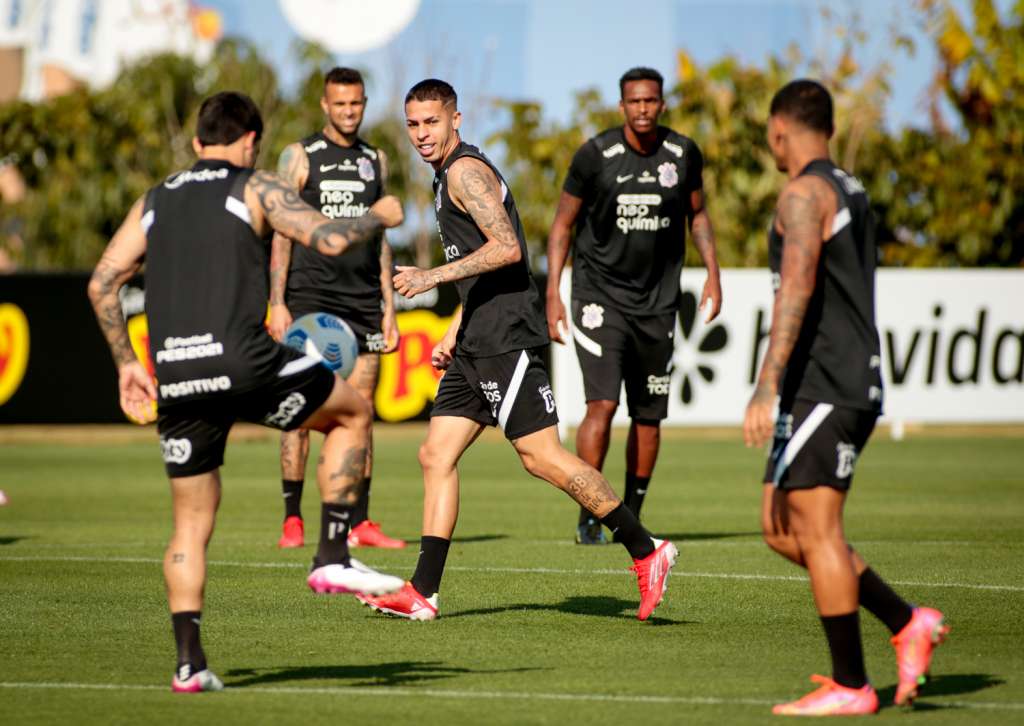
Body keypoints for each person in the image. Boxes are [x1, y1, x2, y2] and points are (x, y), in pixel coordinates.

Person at [87, 91, 405, 693]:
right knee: (353, 412)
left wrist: (128, 363)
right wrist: (378, 217)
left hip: (176, 376)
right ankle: (332, 554)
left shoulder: (154, 199)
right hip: (243, 360)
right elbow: (330, 239)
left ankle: (189, 665)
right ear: (250, 141)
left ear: (198, 141)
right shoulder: (255, 186)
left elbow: (103, 282)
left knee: (188, 527)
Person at [355, 79, 678, 622]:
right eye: (413, 124)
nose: (421, 134)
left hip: (507, 341)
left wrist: (432, 275)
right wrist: (457, 326)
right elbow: (481, 259)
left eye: (431, 122)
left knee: (542, 457)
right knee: (435, 454)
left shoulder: (465, 172)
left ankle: (647, 550)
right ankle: (423, 592)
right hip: (477, 339)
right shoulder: (445, 176)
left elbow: (506, 249)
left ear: (455, 120)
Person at [743, 79, 948, 716]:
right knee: (781, 526)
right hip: (831, 383)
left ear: (781, 129)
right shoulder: (848, 185)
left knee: (819, 530)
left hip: (828, 382)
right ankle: (907, 620)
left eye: (770, 135)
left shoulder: (805, 192)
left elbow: (796, 289)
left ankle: (852, 684)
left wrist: (766, 380)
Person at [546, 67, 722, 544]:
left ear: (662, 104)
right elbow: (562, 225)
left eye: (651, 101)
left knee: (649, 415)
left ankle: (633, 512)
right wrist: (553, 294)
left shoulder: (683, 154)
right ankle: (590, 512)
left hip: (659, 303)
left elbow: (698, 214)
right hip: (598, 299)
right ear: (622, 105)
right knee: (601, 405)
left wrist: (713, 272)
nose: (643, 108)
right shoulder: (596, 155)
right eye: (634, 101)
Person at [268, 67, 404, 551]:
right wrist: (277, 301)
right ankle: (292, 518)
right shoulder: (299, 156)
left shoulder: (376, 160)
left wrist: (389, 307)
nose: (349, 112)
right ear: (325, 105)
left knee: (361, 413)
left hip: (364, 303)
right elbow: (283, 230)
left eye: (357, 104)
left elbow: (381, 237)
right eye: (340, 104)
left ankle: (360, 522)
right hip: (309, 300)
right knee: (301, 413)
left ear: (364, 103)